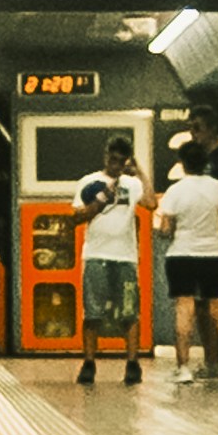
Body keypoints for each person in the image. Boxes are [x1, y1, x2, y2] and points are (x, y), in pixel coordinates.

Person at [156, 133, 218, 383]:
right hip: (214, 255)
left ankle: (183, 369)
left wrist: (172, 230)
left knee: (185, 309)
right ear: (205, 162)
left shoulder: (175, 191)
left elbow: (165, 229)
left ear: (183, 163)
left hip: (181, 255)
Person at [72, 134, 147, 389]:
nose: (115, 165)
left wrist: (141, 174)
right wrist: (102, 198)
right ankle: (89, 363)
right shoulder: (89, 182)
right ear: (106, 157)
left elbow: (151, 202)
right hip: (96, 256)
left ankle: (132, 363)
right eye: (112, 160)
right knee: (93, 312)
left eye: (120, 161)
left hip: (125, 257)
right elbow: (77, 217)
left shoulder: (132, 184)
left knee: (129, 312)